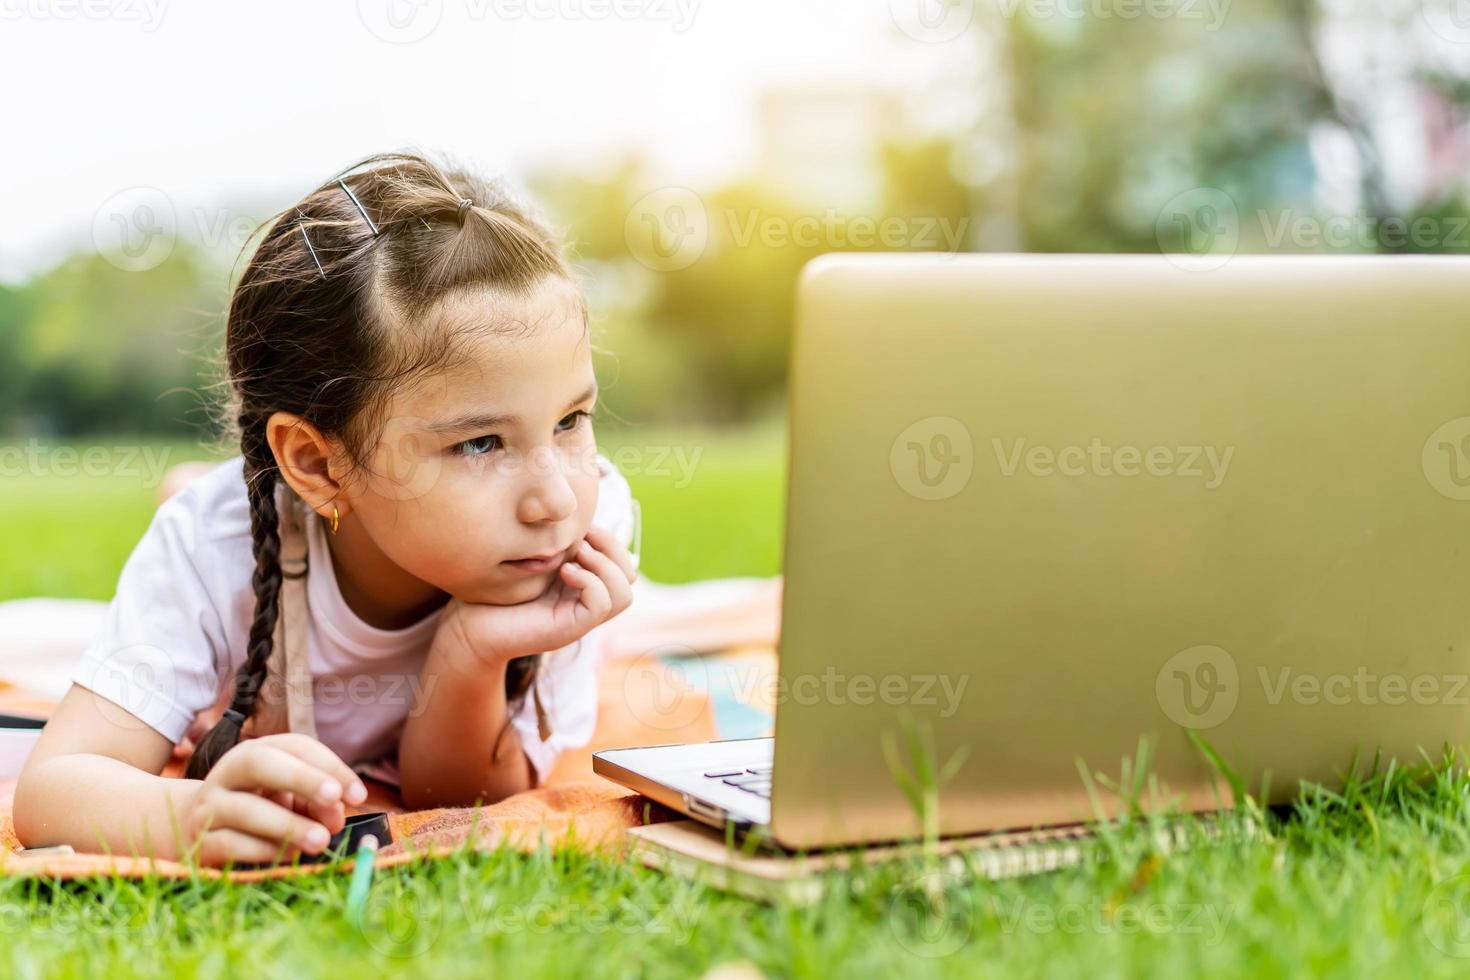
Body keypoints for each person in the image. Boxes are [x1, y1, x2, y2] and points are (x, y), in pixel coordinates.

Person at [12, 153, 638, 866]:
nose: (555, 498)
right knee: (206, 516)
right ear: (315, 462)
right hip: (269, 542)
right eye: (479, 443)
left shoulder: (586, 527)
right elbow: (52, 791)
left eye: (570, 420)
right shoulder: (211, 551)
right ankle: (196, 484)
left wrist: (471, 649)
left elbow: (460, 799)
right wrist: (192, 815)